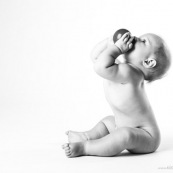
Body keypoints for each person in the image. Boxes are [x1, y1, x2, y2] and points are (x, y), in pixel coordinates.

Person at [62, 31, 171, 157]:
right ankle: (86, 136)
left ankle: (86, 147)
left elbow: (99, 67)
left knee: (125, 135)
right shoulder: (122, 69)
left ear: (148, 62)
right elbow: (96, 58)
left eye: (143, 41)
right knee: (108, 122)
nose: (135, 37)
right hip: (122, 125)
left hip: (146, 135)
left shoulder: (132, 74)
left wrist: (117, 48)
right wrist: (109, 42)